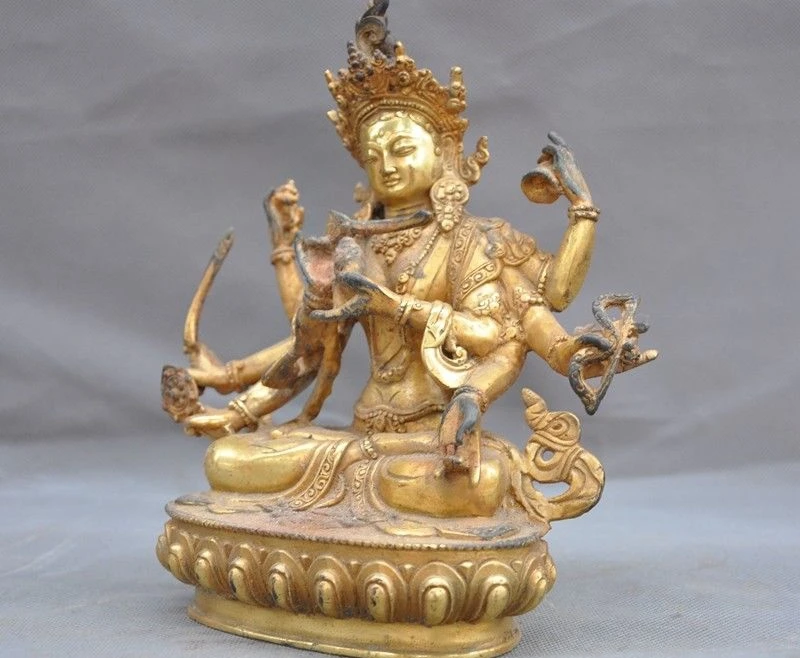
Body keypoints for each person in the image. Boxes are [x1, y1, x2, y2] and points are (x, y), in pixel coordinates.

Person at [161, 4, 654, 521]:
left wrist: (581, 211)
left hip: (430, 436)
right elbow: (310, 343)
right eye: (374, 158)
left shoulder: (474, 240)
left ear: (444, 154)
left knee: (475, 483)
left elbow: (514, 327)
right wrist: (232, 394)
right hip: (359, 434)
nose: (387, 166)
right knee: (229, 460)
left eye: (400, 149)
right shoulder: (354, 244)